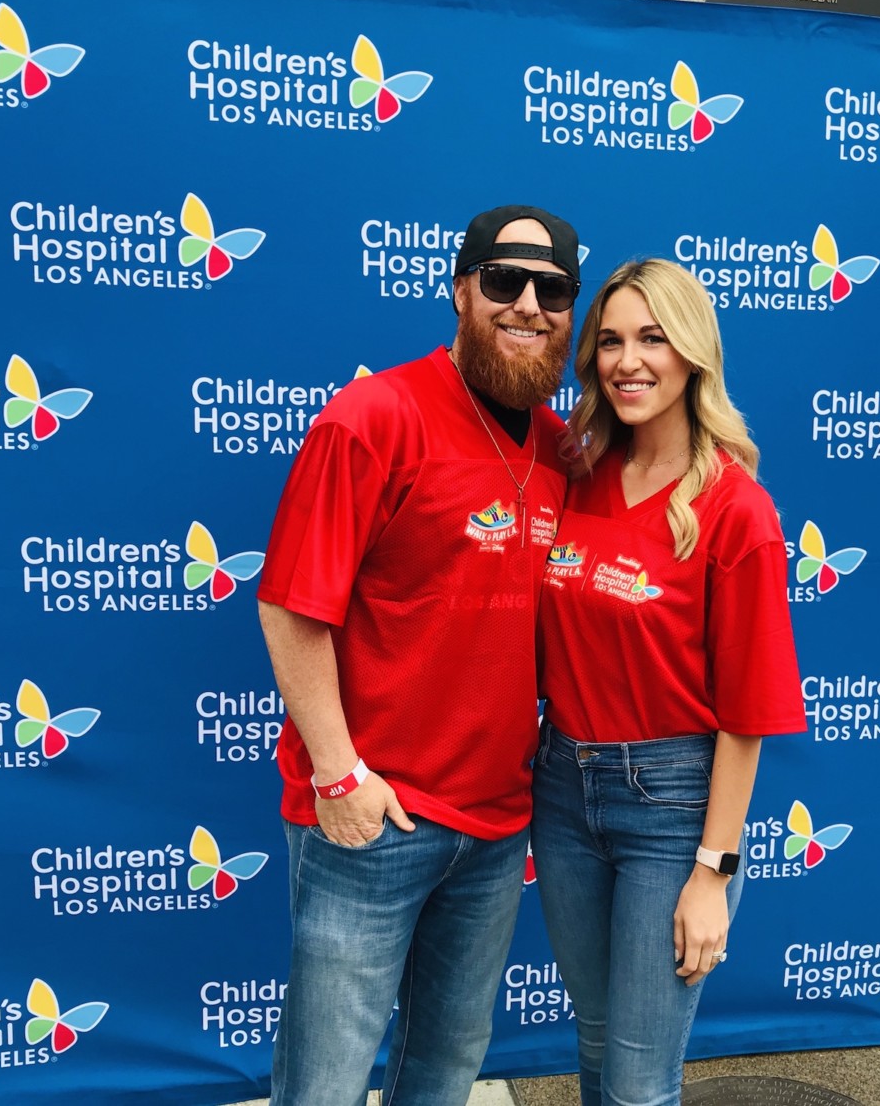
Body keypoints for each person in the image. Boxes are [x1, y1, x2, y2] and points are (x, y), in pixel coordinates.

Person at [257, 205, 582, 1106]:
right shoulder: (373, 418)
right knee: (324, 1080)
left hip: (495, 821)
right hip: (373, 817)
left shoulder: (565, 451)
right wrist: (339, 777)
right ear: (460, 291)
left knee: (445, 1066)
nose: (527, 304)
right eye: (503, 281)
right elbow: (290, 608)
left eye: (552, 290)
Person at [533, 258, 804, 1106]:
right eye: (609, 341)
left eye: (653, 338)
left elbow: (748, 712)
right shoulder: (576, 475)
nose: (628, 361)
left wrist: (712, 874)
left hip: (671, 806)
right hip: (562, 787)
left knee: (642, 1079)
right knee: (595, 1039)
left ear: (693, 355)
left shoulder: (733, 509)